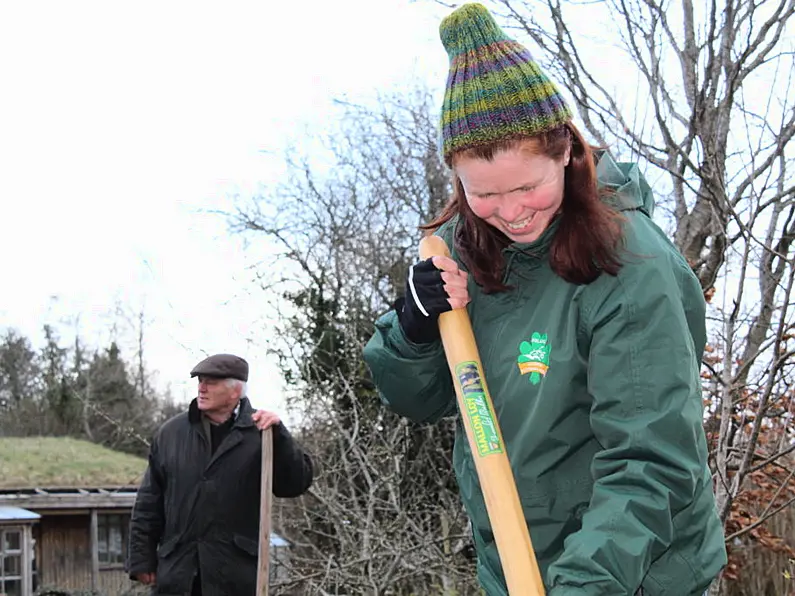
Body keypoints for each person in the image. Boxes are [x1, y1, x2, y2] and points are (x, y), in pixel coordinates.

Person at [362, 4, 727, 595]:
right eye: (483, 194)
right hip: (515, 564)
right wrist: (415, 328)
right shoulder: (460, 250)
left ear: (565, 153)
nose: (510, 213)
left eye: (528, 187)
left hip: (632, 575)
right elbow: (417, 400)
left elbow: (651, 460)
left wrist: (583, 586)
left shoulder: (633, 266)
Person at [126, 353, 313, 595]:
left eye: (211, 383)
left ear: (236, 391)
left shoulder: (262, 434)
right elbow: (148, 502)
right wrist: (141, 558)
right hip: (178, 573)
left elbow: (295, 484)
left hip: (235, 575)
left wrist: (280, 437)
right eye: (200, 381)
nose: (201, 388)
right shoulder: (170, 434)